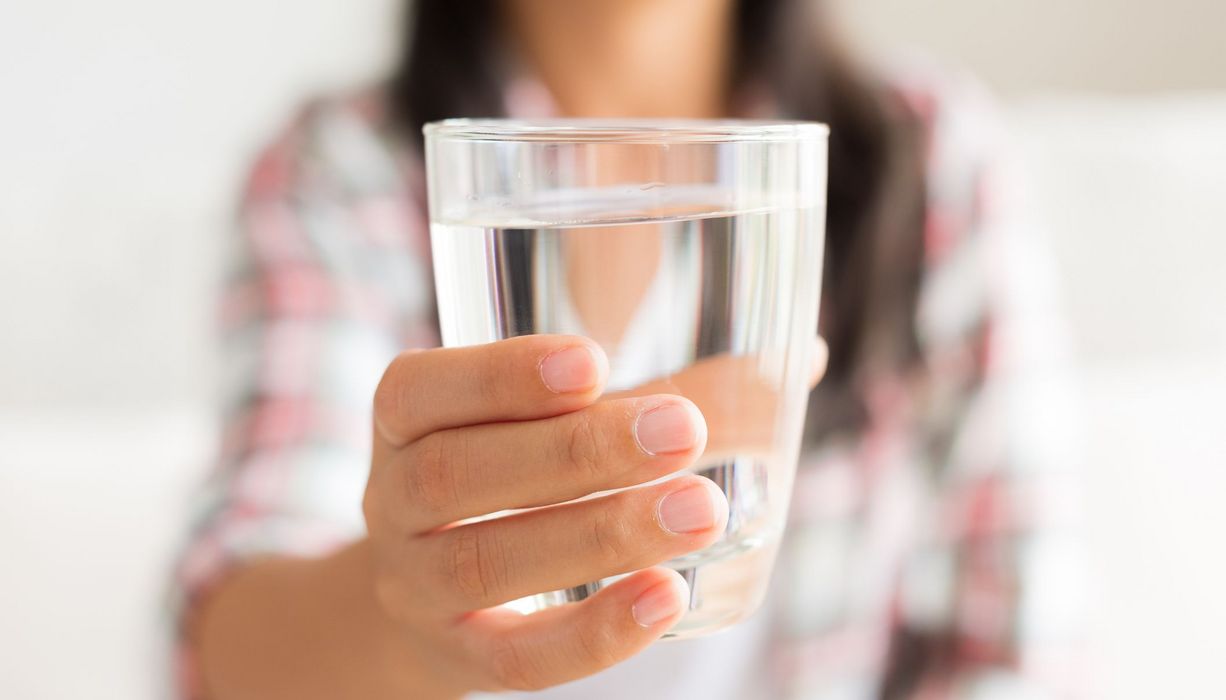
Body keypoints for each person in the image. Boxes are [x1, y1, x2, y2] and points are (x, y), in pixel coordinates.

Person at [171, 0, 1080, 697]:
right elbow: (238, 627)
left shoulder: (927, 156)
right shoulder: (342, 172)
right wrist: (401, 608)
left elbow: (1019, 648)